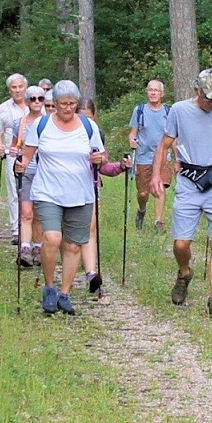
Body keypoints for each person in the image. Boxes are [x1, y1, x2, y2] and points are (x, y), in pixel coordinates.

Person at [152, 68, 212, 321]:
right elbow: (164, 144)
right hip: (189, 180)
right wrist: (156, 175)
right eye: (208, 97)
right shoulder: (179, 111)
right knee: (181, 243)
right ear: (197, 91)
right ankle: (184, 273)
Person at [19, 80, 104, 316]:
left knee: (74, 246)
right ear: (54, 103)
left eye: (72, 104)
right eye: (63, 104)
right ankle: (49, 287)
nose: (68, 108)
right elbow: (27, 156)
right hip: (48, 192)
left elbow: (100, 154)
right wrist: (20, 166)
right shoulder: (41, 124)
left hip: (80, 193)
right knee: (52, 238)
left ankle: (64, 293)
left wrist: (99, 159)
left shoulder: (88, 126)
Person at [79, 97, 132, 298]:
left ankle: (91, 273)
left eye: (89, 118)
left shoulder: (96, 135)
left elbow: (103, 167)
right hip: (65, 189)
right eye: (81, 118)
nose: (86, 123)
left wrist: (121, 166)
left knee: (90, 229)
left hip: (91, 187)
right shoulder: (64, 134)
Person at [128, 79, 174, 233]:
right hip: (143, 157)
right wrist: (132, 140)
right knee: (143, 193)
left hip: (162, 157)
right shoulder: (139, 110)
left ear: (162, 94)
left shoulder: (169, 112)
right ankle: (141, 210)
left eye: (156, 90)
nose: (153, 93)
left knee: (159, 188)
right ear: (147, 93)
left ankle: (158, 222)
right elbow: (133, 132)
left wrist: (177, 157)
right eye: (150, 90)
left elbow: (173, 137)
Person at [0, 73, 30, 241]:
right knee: (14, 190)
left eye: (20, 86)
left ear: (25, 87)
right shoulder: (4, 108)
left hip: (34, 155)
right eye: (14, 87)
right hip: (12, 154)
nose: (18, 90)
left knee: (31, 192)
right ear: (9, 90)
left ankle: (31, 228)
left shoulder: (35, 103)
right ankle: (16, 229)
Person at [12, 85, 48, 267]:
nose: (36, 102)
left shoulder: (49, 122)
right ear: (26, 101)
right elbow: (15, 145)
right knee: (26, 212)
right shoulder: (20, 123)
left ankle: (38, 247)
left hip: (45, 173)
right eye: (32, 99)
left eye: (40, 99)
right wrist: (13, 151)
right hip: (26, 171)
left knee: (39, 214)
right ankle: (25, 249)